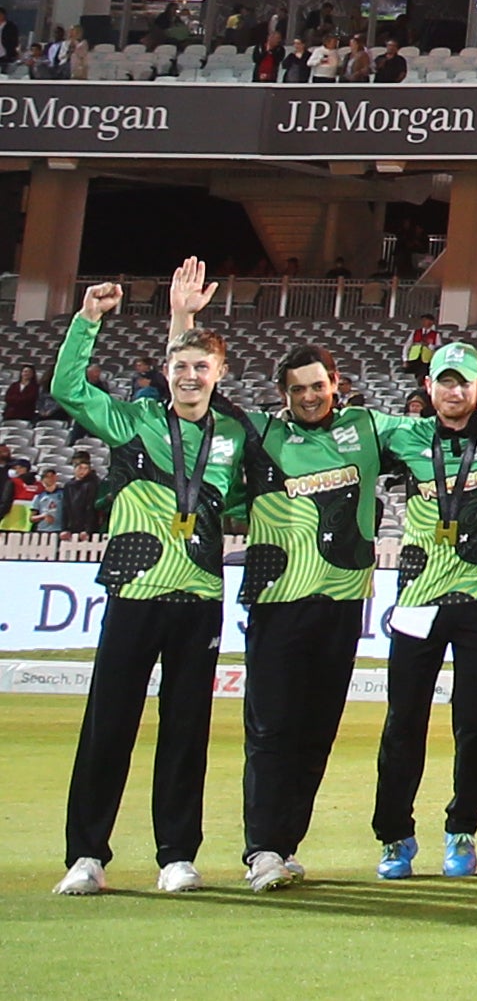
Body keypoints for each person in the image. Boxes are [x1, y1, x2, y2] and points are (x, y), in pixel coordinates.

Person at [52, 263, 250, 897]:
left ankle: (176, 855)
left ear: (220, 375)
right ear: (166, 373)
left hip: (199, 600)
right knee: (108, 725)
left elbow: (253, 504)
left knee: (186, 731)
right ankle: (86, 856)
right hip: (134, 596)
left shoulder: (237, 436)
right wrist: (88, 321)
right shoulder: (135, 420)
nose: (190, 376)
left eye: (201, 368)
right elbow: (67, 389)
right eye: (181, 367)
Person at [233, 332, 396, 890]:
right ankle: (263, 849)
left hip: (343, 601)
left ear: (336, 385)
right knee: (272, 728)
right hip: (278, 601)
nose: (310, 396)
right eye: (299, 388)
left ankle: (286, 845)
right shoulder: (260, 432)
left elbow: (439, 435)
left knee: (316, 731)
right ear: (283, 393)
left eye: (318, 385)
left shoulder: (369, 429)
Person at [370, 344, 477, 882]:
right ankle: (395, 836)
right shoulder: (402, 435)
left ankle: (463, 830)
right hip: (416, 602)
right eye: (444, 382)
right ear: (428, 387)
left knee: (475, 725)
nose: (454, 392)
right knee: (403, 724)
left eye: (465, 383)